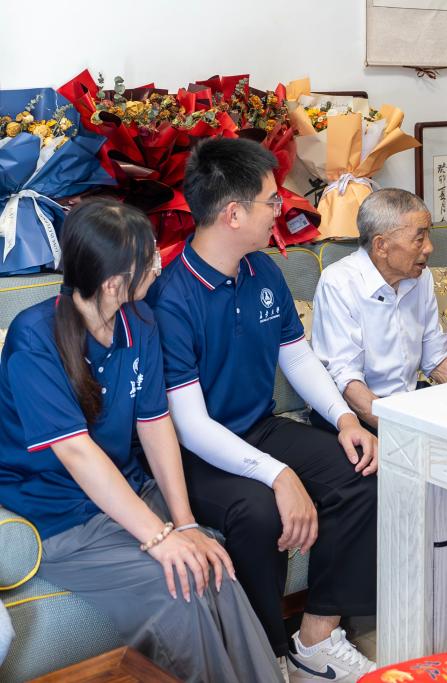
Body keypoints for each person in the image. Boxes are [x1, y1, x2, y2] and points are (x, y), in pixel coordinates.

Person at [0, 199, 280, 682]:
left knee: (215, 565)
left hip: (127, 490)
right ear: (113, 283)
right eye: (149, 260)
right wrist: (159, 537)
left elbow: (155, 424)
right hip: (59, 515)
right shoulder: (34, 338)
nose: (159, 265)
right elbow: (77, 453)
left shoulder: (140, 322)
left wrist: (185, 524)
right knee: (181, 590)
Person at [147, 138, 378, 682]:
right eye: (271, 200)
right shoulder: (172, 297)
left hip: (258, 428)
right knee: (259, 512)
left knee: (363, 472)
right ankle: (266, 658)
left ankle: (316, 638)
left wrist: (346, 419)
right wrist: (279, 476)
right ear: (233, 214)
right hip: (195, 452)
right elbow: (190, 425)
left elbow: (296, 358)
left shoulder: (263, 272)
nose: (280, 209)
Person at [310, 187, 447, 651]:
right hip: (353, 416)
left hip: (409, 404)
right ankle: (420, 603)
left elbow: (436, 359)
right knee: (408, 474)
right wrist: (403, 428)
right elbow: (346, 380)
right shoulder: (340, 283)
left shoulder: (420, 278)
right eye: (419, 237)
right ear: (381, 244)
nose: (429, 248)